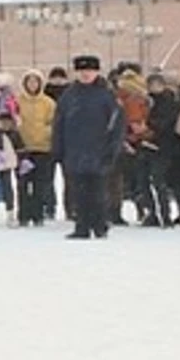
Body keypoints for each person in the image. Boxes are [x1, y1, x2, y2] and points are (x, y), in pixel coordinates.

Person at [53, 54, 122, 239]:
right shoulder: (69, 96)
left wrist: (112, 150)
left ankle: (100, 225)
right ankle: (81, 226)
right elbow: (59, 124)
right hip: (74, 152)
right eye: (82, 71)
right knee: (78, 192)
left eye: (89, 71)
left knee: (99, 192)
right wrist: (58, 149)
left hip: (100, 152)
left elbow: (117, 125)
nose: (86, 74)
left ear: (96, 72)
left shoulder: (106, 96)